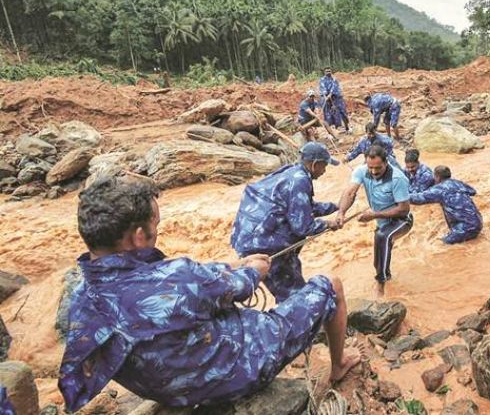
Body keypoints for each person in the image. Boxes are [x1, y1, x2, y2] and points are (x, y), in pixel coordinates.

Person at [58, 175, 359, 413]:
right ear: (138, 236)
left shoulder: (82, 296)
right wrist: (254, 269)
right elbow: (242, 284)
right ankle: (339, 364)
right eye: (155, 225)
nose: (157, 230)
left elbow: (185, 281)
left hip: (163, 389)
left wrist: (236, 264)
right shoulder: (180, 277)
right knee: (330, 284)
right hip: (230, 373)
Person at [231, 142, 341, 303]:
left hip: (246, 238)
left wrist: (335, 206)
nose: (324, 171)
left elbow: (303, 207)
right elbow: (302, 227)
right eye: (324, 166)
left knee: (290, 286)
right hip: (264, 246)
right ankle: (293, 324)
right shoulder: (300, 181)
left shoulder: (291, 172)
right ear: (314, 164)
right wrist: (328, 224)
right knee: (293, 296)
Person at [337, 145, 412, 295]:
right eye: (370, 167)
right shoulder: (361, 170)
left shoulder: (397, 178)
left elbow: (404, 209)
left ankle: (381, 285)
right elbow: (350, 192)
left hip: (401, 220)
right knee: (379, 255)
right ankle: (385, 275)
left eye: (377, 168)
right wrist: (341, 213)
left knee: (382, 237)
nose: (373, 171)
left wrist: (374, 215)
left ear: (386, 162)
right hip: (382, 221)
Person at [410, 166, 482, 244]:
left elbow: (418, 199)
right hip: (478, 222)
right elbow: (473, 191)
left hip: (464, 228)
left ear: (437, 177)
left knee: (440, 245)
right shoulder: (458, 183)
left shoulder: (439, 189)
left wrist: (400, 196)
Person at [318, 67, 351, 133]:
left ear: (331, 72)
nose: (328, 72)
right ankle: (331, 132)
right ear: (324, 72)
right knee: (328, 115)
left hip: (337, 99)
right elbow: (322, 89)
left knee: (342, 113)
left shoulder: (334, 79)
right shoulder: (322, 80)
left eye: (329, 71)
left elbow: (334, 88)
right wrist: (325, 96)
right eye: (327, 71)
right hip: (326, 100)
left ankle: (347, 128)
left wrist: (330, 94)